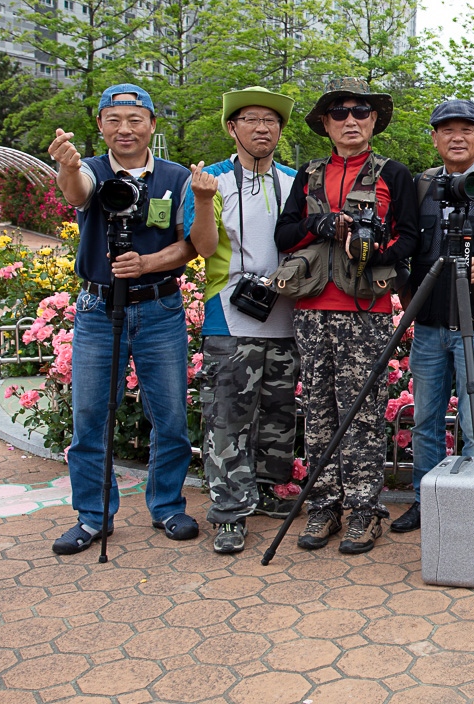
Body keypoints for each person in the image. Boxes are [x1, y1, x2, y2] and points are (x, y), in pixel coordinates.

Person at [48, 83, 209, 554]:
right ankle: (93, 517)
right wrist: (67, 166)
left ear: (152, 125)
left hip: (160, 307)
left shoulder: (176, 177)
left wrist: (147, 263)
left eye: (135, 120)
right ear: (100, 125)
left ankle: (167, 506)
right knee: (91, 417)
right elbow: (77, 193)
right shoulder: (90, 169)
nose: (125, 129)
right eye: (114, 120)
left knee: (170, 415)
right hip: (99, 310)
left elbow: (190, 244)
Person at [274, 78, 418, 554]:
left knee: (362, 413)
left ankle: (364, 510)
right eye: (339, 113)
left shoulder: (393, 173)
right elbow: (283, 234)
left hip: (365, 310)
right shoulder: (308, 174)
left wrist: (376, 249)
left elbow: (410, 238)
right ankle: (324, 505)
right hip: (311, 310)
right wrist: (319, 224)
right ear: (326, 123)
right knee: (318, 413)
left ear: (374, 120)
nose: (350, 120)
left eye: (360, 112)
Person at [389, 100, 474, 534]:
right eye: (447, 130)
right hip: (429, 324)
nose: (457, 137)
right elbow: (404, 245)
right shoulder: (421, 185)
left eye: (467, 129)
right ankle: (425, 503)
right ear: (435, 138)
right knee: (425, 421)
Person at [184, 86, 300, 554]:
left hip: (287, 316)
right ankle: (230, 511)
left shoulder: (294, 181)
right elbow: (204, 247)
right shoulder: (210, 180)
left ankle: (268, 490)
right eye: (250, 119)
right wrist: (202, 200)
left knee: (279, 413)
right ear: (232, 128)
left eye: (270, 121)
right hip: (230, 318)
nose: (261, 128)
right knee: (227, 417)